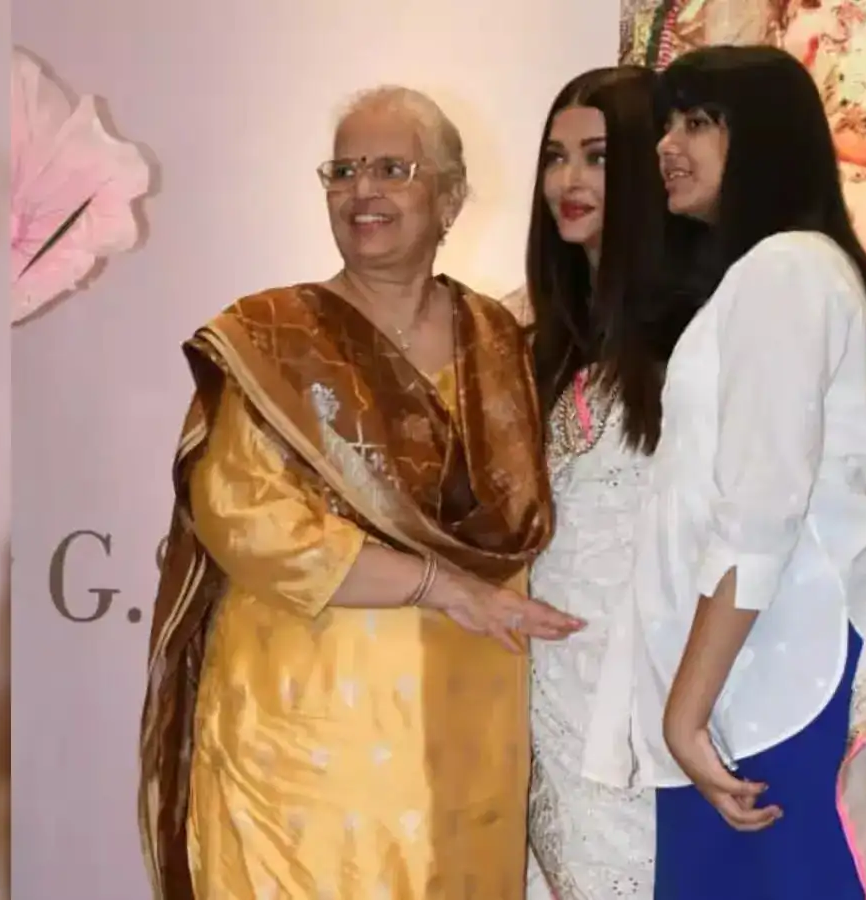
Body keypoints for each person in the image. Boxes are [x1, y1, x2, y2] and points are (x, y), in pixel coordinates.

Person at [137, 85, 584, 900]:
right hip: (305, 740)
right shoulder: (274, 339)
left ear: (450, 197)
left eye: (391, 169)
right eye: (342, 171)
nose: (361, 191)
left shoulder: (502, 342)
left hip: (469, 720)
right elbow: (247, 518)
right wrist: (440, 584)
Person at [581, 45, 866, 900]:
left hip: (775, 681)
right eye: (667, 123)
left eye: (698, 122)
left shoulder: (788, 268)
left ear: (767, 139)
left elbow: (761, 510)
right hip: (747, 681)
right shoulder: (768, 275)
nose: (667, 145)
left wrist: (684, 712)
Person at [521, 65, 695, 900]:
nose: (570, 181)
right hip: (535, 694)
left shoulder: (701, 333)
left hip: (651, 698)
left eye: (596, 157)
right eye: (555, 158)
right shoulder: (525, 335)